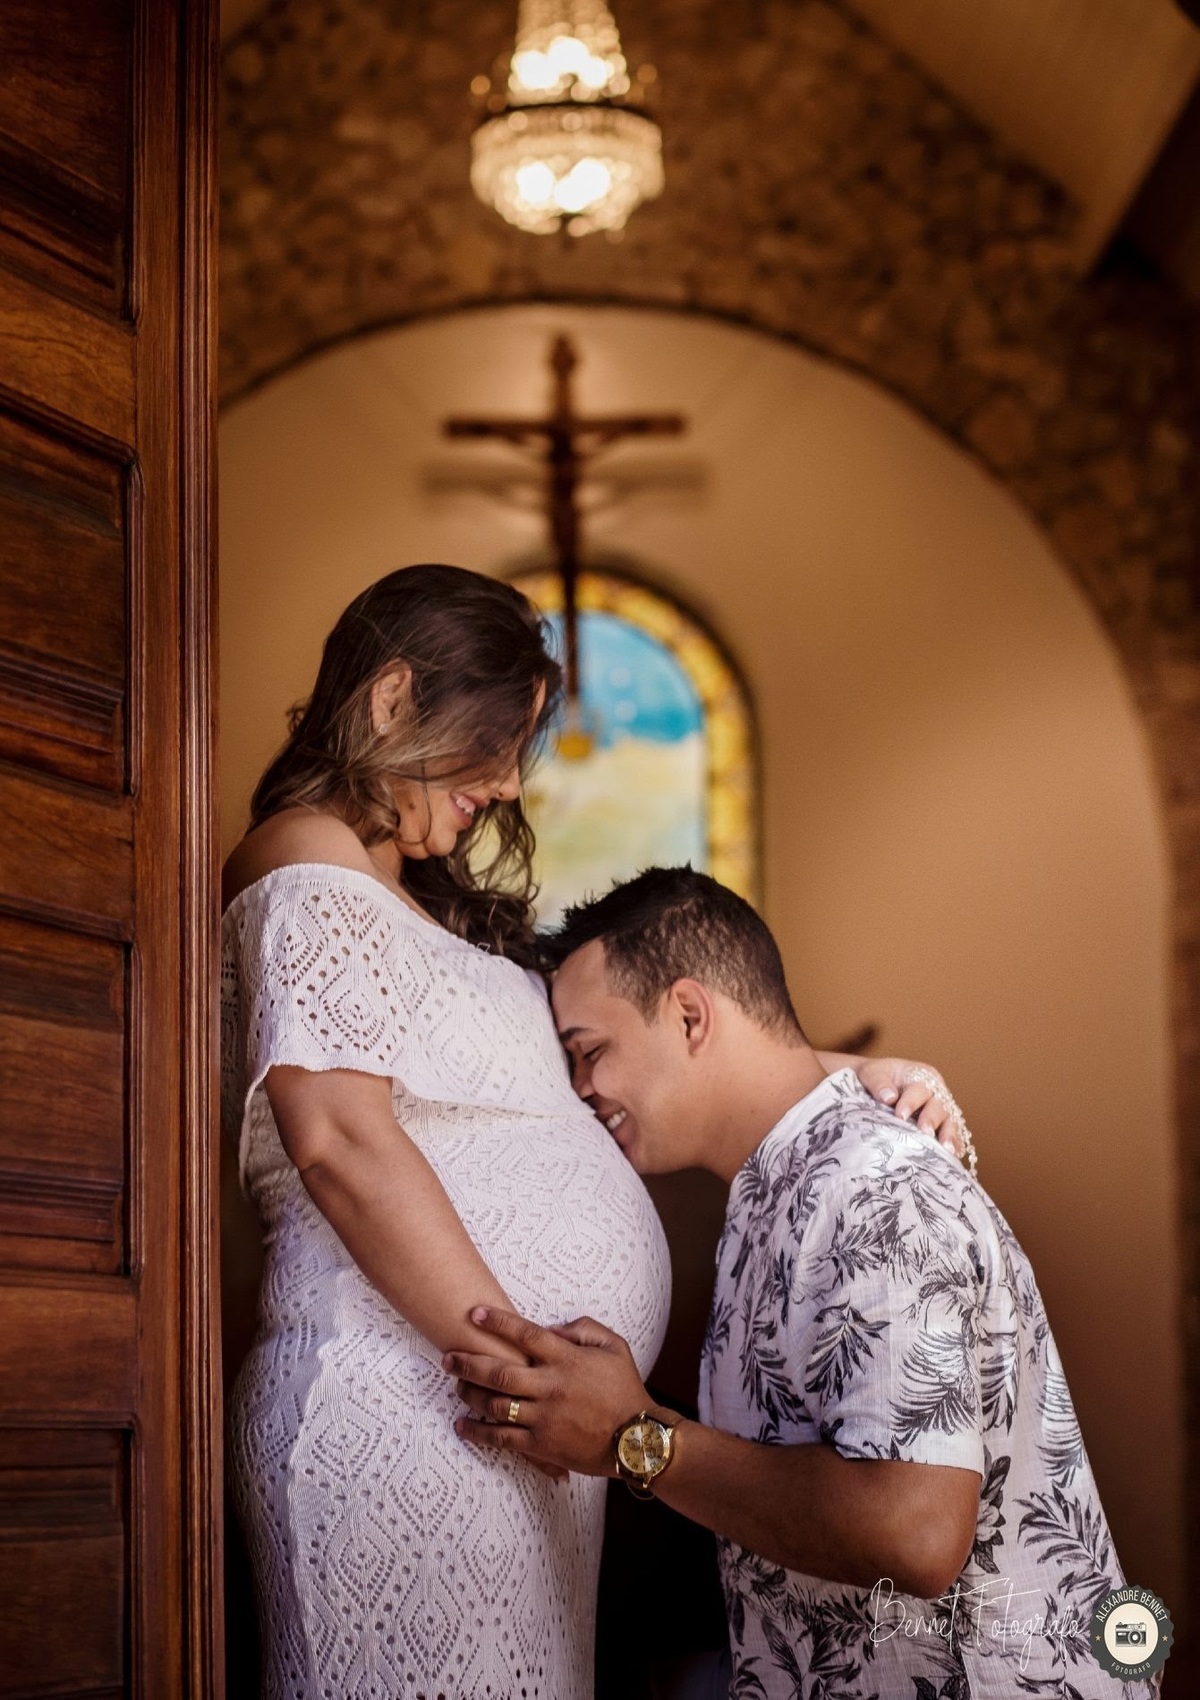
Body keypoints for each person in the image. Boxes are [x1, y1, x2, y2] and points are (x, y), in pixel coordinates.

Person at [221, 564, 969, 1700]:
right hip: (408, 1407)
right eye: (492, 741)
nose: (510, 781)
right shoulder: (301, 854)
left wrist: (848, 1071)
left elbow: (618, 1061)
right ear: (390, 699)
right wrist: (532, 1367)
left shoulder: (421, 907)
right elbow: (339, 1140)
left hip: (504, 1435)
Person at [452, 866, 1156, 1700]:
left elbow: (914, 1530)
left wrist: (634, 1436)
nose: (582, 1089)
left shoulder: (873, 1185)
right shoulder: (781, 1192)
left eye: (590, 1052)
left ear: (688, 1014)